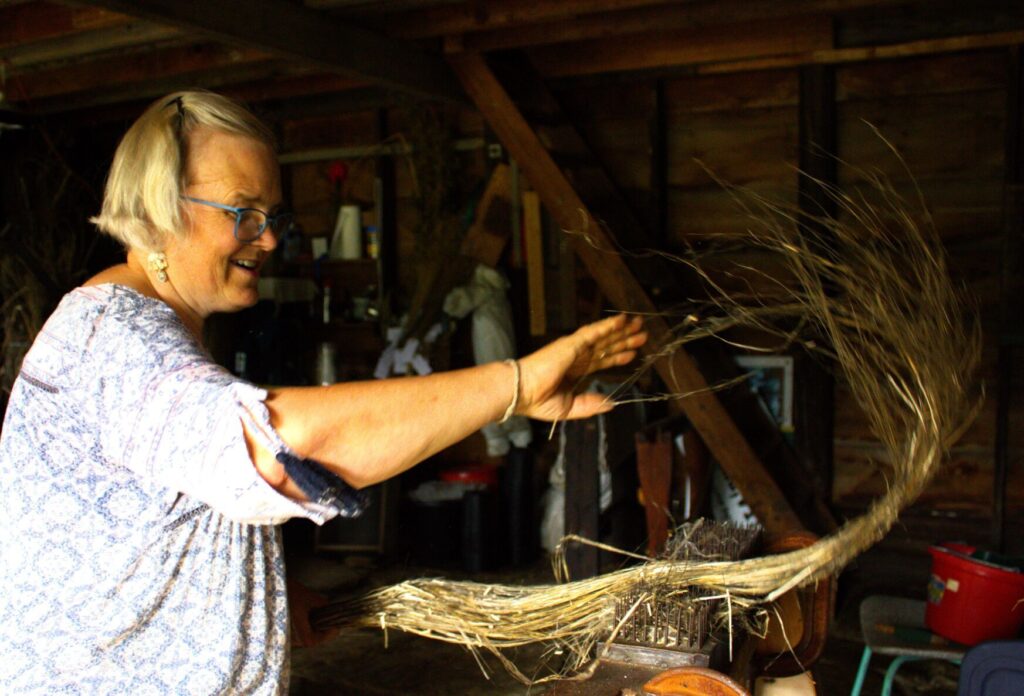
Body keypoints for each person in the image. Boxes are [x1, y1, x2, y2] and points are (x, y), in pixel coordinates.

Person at [0, 90, 646, 694]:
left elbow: (168, 508)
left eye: (272, 213)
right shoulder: (114, 337)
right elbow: (274, 449)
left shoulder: (139, 325)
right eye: (242, 212)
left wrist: (258, 593)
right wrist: (515, 383)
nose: (272, 237)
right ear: (154, 211)